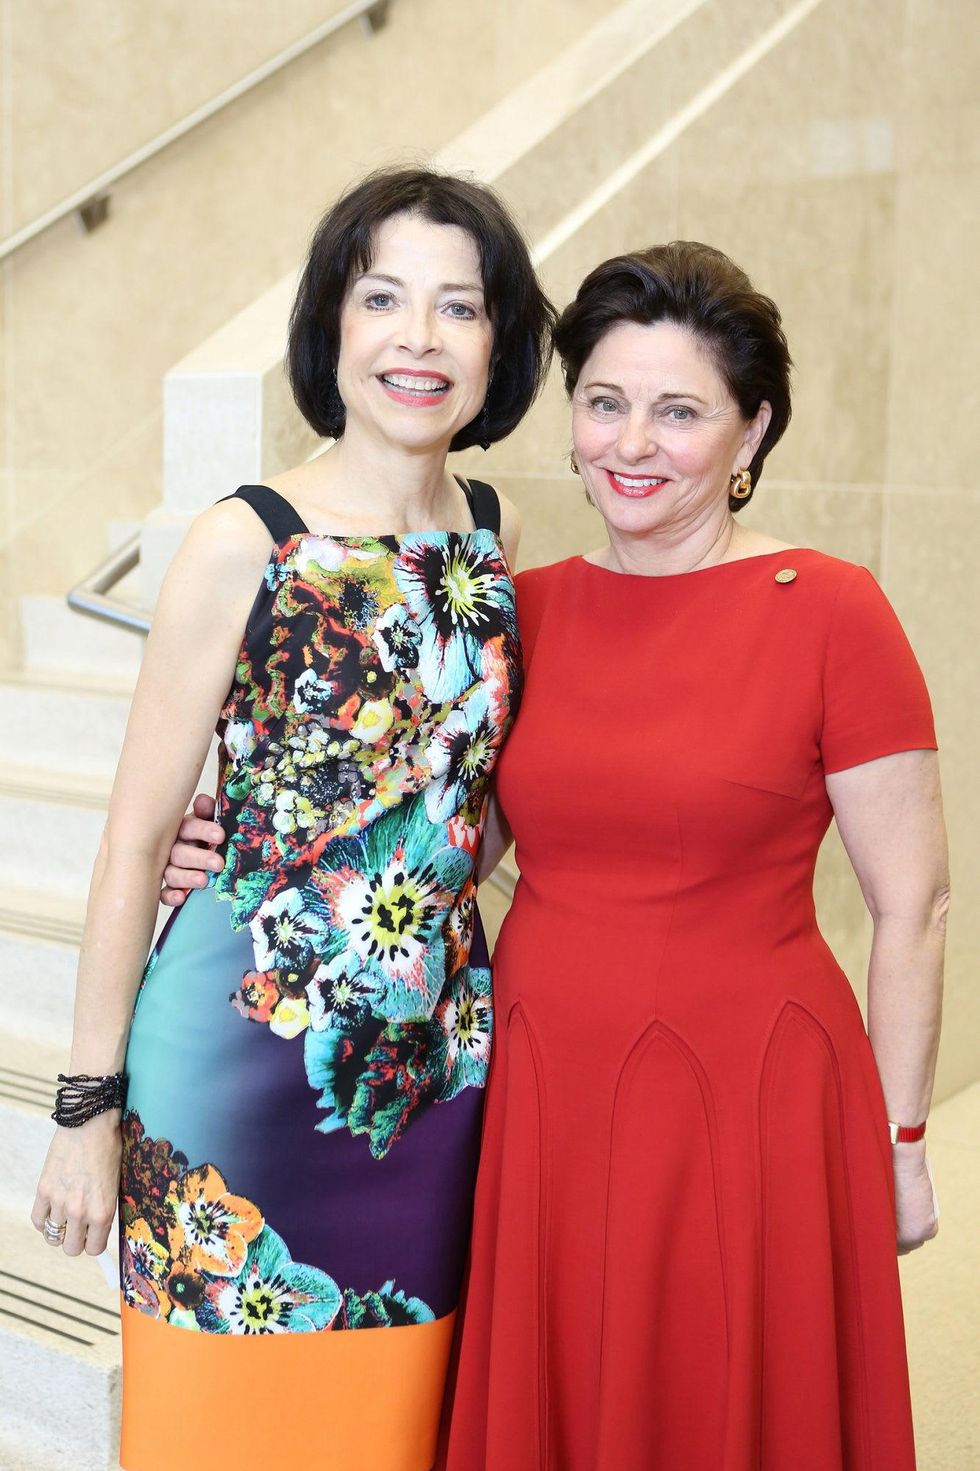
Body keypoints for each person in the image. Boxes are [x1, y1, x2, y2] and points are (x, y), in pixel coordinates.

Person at [163, 242, 946, 1470]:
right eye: (605, 402)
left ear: (751, 434)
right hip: (539, 1088)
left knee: (723, 1391)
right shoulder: (527, 606)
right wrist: (256, 848)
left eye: (679, 411)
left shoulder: (832, 609)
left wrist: (900, 1143)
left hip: (748, 1093)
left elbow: (915, 905)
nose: (632, 443)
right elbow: (449, 835)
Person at [30, 166, 554, 1471]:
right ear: (332, 326)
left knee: (385, 1430)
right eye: (384, 299)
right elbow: (136, 842)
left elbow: (461, 803)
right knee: (222, 1435)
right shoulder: (242, 540)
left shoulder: (490, 536)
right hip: (240, 1072)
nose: (419, 339)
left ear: (503, 341)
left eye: (459, 307)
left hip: (427, 1078)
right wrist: (83, 1111)